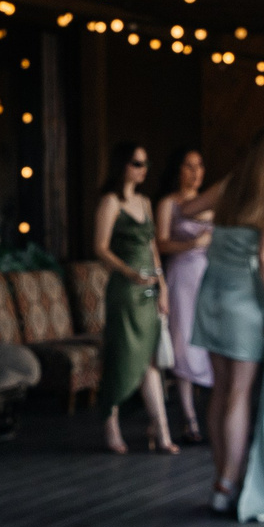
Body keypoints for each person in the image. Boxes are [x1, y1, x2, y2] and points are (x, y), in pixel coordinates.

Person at [190, 128, 264, 514]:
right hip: (244, 303)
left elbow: (184, 210)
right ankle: (229, 481)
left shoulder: (230, 186)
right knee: (239, 394)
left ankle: (222, 480)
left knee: (219, 391)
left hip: (210, 294)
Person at [93, 142, 176, 453]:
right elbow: (100, 247)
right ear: (123, 166)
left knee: (150, 359)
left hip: (149, 288)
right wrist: (130, 273)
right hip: (125, 290)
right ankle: (110, 422)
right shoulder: (111, 202)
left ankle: (162, 429)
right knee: (123, 356)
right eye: (137, 164)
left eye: (145, 164)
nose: (143, 170)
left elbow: (153, 247)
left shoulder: (145, 201)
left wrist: (163, 286)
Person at [156, 146, 215, 443]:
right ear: (178, 169)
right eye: (189, 166)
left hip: (208, 276)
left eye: (200, 165)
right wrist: (192, 245)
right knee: (183, 341)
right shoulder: (169, 203)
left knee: (207, 343)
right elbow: (161, 244)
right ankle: (188, 416)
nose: (195, 172)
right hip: (181, 274)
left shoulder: (210, 203)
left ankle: (208, 414)